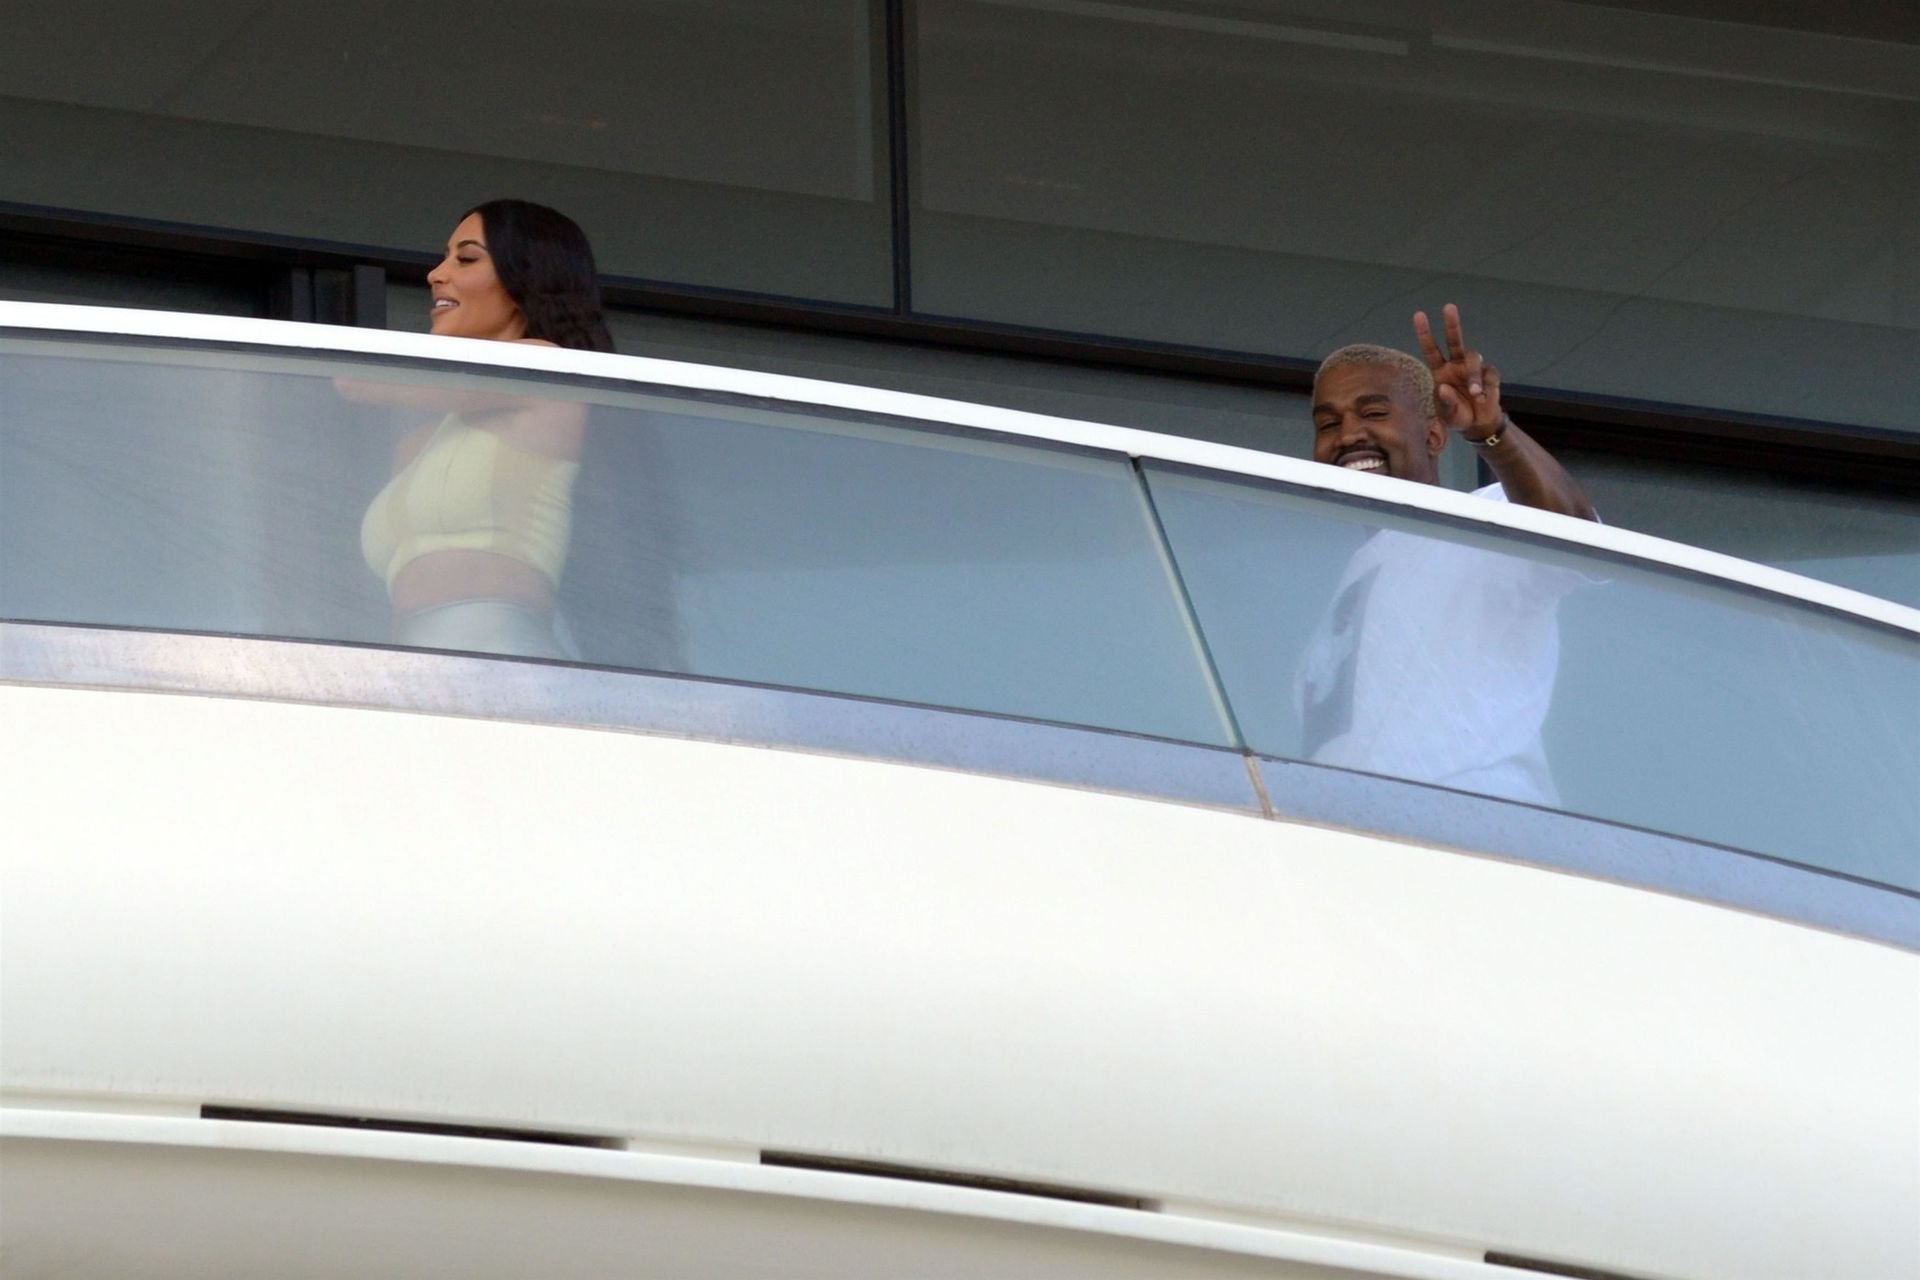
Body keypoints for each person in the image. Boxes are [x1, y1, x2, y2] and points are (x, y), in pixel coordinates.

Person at [1295, 305, 1596, 805]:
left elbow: (1578, 541)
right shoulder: (1341, 592)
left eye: (1374, 414)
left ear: (1434, 436)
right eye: (1328, 423)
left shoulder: (1481, 522)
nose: (1347, 435)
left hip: (1481, 825)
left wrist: (1491, 431)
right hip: (1362, 837)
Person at [354, 199, 614, 659]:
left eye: (466, 259)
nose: (436, 274)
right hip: (413, 656)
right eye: (444, 258)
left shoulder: (547, 371)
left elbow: (359, 379)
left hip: (503, 648)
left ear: (523, 277)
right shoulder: (420, 443)